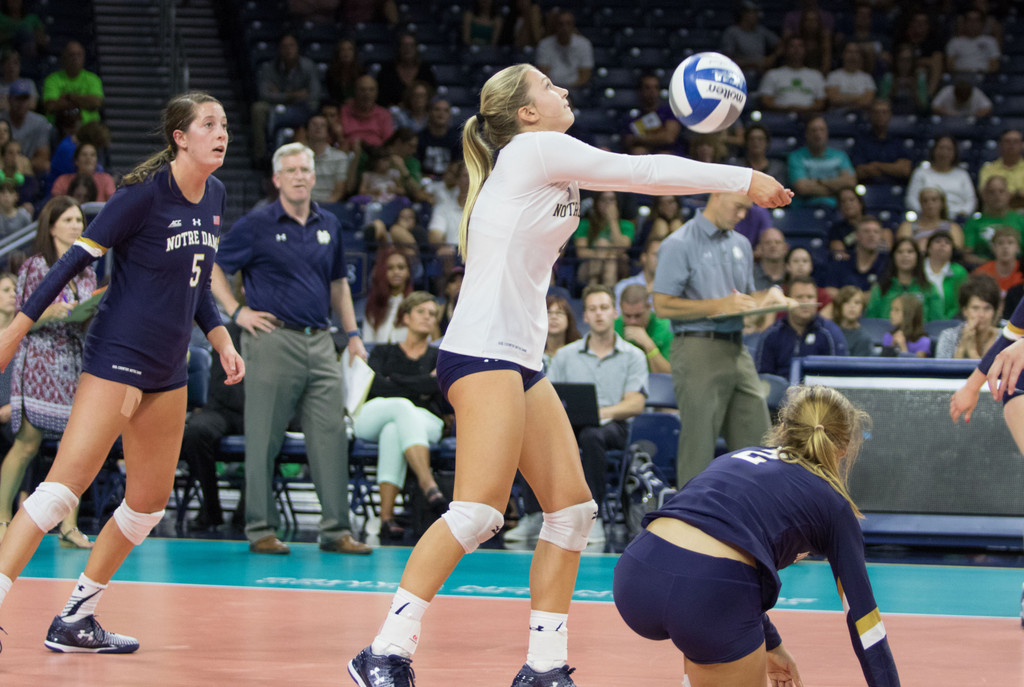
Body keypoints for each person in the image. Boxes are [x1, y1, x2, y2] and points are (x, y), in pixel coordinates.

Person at [346, 62, 792, 686]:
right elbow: (642, 172)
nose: (562, 91)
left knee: (573, 512)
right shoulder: (532, 150)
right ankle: (385, 650)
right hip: (480, 352)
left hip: (521, 358)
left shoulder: (540, 157)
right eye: (549, 88)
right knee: (477, 512)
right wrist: (742, 177)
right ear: (526, 113)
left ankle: (544, 665)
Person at [0, 91, 243, 653]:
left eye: (224, 124)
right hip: (116, 357)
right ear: (180, 137)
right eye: (209, 124)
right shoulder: (139, 197)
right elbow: (71, 262)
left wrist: (221, 334)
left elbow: (197, 279)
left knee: (146, 507)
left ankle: (75, 620)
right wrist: (16, 328)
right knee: (63, 490)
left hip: (167, 369)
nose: (221, 132)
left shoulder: (217, 194)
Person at [614, 384, 900, 687]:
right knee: (703, 626)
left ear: (784, 429)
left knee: (701, 636)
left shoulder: (738, 457)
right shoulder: (833, 504)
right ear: (844, 449)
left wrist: (771, 645)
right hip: (705, 596)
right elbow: (865, 621)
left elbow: (713, 543)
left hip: (637, 573)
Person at [210, 141, 370, 557]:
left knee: (332, 435)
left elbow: (339, 285)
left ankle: (337, 530)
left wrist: (352, 336)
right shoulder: (256, 223)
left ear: (314, 177)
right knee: (263, 437)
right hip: (271, 339)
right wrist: (236, 311)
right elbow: (213, 267)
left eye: (306, 169)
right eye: (291, 170)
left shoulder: (329, 224)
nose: (300, 176)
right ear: (277, 179)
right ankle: (261, 528)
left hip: (321, 340)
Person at [653, 189, 793, 490]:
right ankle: (692, 526)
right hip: (696, 347)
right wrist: (718, 306)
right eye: (739, 207)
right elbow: (662, 305)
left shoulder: (741, 243)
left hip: (736, 346)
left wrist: (768, 299)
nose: (743, 216)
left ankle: (762, 518)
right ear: (717, 195)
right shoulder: (679, 243)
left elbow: (742, 301)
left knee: (761, 444)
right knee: (699, 446)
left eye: (747, 210)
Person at [0, 196, 96, 550]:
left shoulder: (88, 269)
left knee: (75, 450)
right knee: (28, 443)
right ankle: (2, 520)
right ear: (51, 225)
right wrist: (50, 313)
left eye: (78, 220)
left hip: (74, 361)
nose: (76, 226)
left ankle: (68, 527)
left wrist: (87, 312)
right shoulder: (34, 267)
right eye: (69, 220)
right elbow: (21, 320)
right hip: (38, 360)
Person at [356, 291, 448, 542]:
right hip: (374, 415)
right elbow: (375, 387)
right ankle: (427, 483)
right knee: (401, 407)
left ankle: (386, 518)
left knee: (394, 429)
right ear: (405, 317)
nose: (428, 318)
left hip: (426, 421)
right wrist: (420, 384)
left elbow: (436, 390)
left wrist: (394, 380)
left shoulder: (439, 357)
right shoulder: (382, 353)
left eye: (432, 314)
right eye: (421, 312)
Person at [181, 321, 245, 531]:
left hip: (262, 410)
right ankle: (210, 508)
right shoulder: (227, 332)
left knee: (267, 431)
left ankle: (247, 510)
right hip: (223, 406)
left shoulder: (280, 336)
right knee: (196, 432)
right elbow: (219, 384)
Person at [756, 275, 847, 376]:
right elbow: (764, 378)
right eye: (799, 297)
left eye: (810, 297)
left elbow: (839, 375)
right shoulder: (771, 335)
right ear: (788, 300)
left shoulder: (831, 333)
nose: (805, 301)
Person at [250, 33, 321, 163]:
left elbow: (314, 95)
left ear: (298, 48)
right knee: (258, 108)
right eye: (284, 46)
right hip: (274, 106)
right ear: (279, 49)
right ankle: (261, 155)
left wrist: (279, 95)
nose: (288, 50)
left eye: (291, 46)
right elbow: (264, 94)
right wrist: (291, 96)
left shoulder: (308, 66)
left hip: (301, 107)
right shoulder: (268, 68)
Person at [866, 237, 944, 322]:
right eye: (900, 252)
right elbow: (871, 323)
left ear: (917, 257)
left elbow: (937, 325)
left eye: (910, 252)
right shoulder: (879, 289)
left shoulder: (929, 289)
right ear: (893, 257)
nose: (905, 255)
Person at [788, 115, 856, 209]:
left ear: (827, 133)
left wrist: (818, 181)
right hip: (806, 209)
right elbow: (802, 188)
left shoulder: (840, 156)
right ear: (806, 134)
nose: (818, 134)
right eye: (813, 130)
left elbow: (850, 182)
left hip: (839, 208)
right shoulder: (796, 157)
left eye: (821, 130)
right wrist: (836, 188)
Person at [905, 136, 977, 221]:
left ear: (954, 153)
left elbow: (971, 200)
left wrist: (962, 214)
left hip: (957, 219)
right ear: (934, 150)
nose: (944, 152)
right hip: (926, 218)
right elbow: (911, 199)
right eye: (941, 148)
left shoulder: (962, 175)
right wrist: (927, 213)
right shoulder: (921, 173)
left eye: (949, 149)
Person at [574, 190, 634, 287]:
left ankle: (593, 285)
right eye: (603, 200)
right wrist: (604, 252)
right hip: (588, 267)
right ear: (596, 203)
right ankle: (608, 292)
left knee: (610, 257)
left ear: (617, 202)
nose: (607, 204)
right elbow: (581, 252)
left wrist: (613, 221)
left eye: (611, 200)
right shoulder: (585, 224)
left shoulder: (626, 225)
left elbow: (621, 249)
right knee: (606, 250)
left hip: (619, 268)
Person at [962, 176, 1024, 268]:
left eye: (1001, 191)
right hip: (984, 271)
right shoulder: (973, 223)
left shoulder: (1020, 220)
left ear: (1008, 195)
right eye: (991, 192)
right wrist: (993, 265)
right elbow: (967, 256)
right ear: (984, 196)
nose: (997, 195)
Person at [935, 274, 1001, 358]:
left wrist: (971, 351)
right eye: (975, 308)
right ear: (965, 310)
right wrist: (962, 347)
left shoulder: (1005, 339)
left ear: (994, 311)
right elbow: (944, 370)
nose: (981, 314)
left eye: (987, 308)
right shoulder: (948, 336)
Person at [758, 36, 826, 114]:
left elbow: (820, 103)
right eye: (792, 46)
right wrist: (787, 108)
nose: (796, 50)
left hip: (809, 115)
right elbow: (766, 101)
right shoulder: (772, 74)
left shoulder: (816, 76)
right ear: (785, 50)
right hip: (779, 115)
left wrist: (801, 109)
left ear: (805, 50)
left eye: (800, 46)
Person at [852, 99, 912, 187]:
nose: (880, 116)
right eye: (876, 112)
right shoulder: (861, 142)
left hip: (895, 189)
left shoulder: (897, 142)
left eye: (884, 112)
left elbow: (905, 170)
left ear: (890, 115)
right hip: (869, 188)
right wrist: (892, 169)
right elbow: (859, 172)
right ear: (870, 115)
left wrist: (876, 165)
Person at [41, 41, 103, 124]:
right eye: (71, 55)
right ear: (64, 58)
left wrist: (69, 97)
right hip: (59, 127)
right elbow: (51, 106)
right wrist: (84, 102)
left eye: (79, 54)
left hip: (87, 126)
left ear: (84, 57)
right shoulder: (52, 79)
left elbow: (96, 102)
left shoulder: (93, 79)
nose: (75, 58)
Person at [616, 283, 672, 374]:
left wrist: (648, 345)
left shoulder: (666, 328)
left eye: (638, 316)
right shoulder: (613, 327)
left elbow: (667, 377)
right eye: (627, 315)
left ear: (649, 308)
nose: (632, 321)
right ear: (621, 309)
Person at [362, 246, 414, 344]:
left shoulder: (416, 304)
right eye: (390, 268)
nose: (396, 272)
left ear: (408, 272)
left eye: (401, 267)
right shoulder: (373, 305)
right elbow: (367, 342)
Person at [827, 215, 889, 296]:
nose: (871, 235)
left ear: (880, 236)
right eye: (866, 231)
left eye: (876, 232)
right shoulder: (842, 262)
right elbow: (829, 291)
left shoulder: (888, 264)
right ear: (857, 236)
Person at [622, 73, 682, 156]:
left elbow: (669, 137)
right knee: (638, 151)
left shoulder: (669, 112)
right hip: (645, 155)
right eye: (647, 88)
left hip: (669, 154)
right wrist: (658, 137)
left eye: (656, 87)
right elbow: (628, 141)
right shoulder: (632, 118)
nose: (652, 92)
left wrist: (639, 138)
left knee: (663, 156)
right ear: (640, 91)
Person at [375, 32, 437, 109]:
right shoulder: (387, 70)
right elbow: (379, 96)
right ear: (399, 48)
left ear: (416, 48)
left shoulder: (426, 71)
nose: (407, 49)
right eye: (404, 45)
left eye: (411, 45)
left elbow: (432, 94)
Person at [896, 186, 964, 255]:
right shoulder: (907, 226)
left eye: (934, 200)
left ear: (942, 203)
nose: (930, 204)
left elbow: (956, 251)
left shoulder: (953, 227)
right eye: (925, 201)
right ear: (920, 204)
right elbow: (903, 250)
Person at [535, 10, 593, 91]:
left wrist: (567, 91)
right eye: (560, 24)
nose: (564, 28)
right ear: (556, 26)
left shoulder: (584, 44)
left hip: (576, 89)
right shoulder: (544, 45)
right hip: (551, 89)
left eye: (568, 23)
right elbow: (543, 74)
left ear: (573, 26)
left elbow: (585, 76)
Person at [1, 80, 50, 175]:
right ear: (9, 99)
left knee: (46, 166)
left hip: (29, 170)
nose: (21, 103)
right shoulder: (1, 120)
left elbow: (43, 157)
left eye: (25, 99)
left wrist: (21, 165)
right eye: (18, 99)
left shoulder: (40, 122)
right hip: (1, 168)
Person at [721, 3, 780, 80]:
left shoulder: (761, 31)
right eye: (753, 12)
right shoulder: (732, 32)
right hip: (740, 73)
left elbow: (781, 45)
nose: (757, 16)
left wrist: (772, 58)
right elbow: (727, 60)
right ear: (744, 14)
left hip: (761, 72)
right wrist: (753, 63)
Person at [923, 230, 969, 319]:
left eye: (947, 243)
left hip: (952, 321)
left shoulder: (959, 272)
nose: (942, 245)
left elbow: (963, 302)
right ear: (928, 248)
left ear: (952, 250)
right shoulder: (918, 269)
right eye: (937, 241)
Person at [49, 142, 116, 201]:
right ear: (76, 161)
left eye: (92, 155)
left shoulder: (106, 179)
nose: (88, 158)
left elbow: (112, 205)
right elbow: (56, 204)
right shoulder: (62, 180)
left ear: (97, 161)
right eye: (84, 154)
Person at [877, 43, 930, 116]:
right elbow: (881, 105)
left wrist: (914, 90)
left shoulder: (920, 78)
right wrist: (893, 90)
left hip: (915, 117)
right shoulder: (888, 78)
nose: (904, 64)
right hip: (893, 117)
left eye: (908, 60)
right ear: (896, 61)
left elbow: (924, 107)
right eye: (901, 60)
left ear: (913, 61)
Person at [729, 123, 787, 188]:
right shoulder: (736, 166)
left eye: (760, 139)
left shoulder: (778, 168)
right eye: (752, 139)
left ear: (767, 142)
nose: (756, 142)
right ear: (746, 142)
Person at [973, 225, 1024, 300]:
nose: (1005, 247)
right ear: (993, 248)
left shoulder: (1023, 272)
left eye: (1010, 242)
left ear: (1018, 248)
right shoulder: (981, 272)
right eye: (1000, 243)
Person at [945, 8, 1000, 76]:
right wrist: (967, 73)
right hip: (960, 79)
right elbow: (950, 66)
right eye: (969, 20)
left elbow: (994, 66)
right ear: (964, 23)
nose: (973, 23)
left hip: (983, 78)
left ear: (982, 23)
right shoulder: (955, 42)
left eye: (976, 20)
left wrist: (977, 73)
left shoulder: (990, 41)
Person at [417, 97, 462, 180]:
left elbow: (458, 165)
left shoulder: (456, 139)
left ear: (450, 115)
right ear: (429, 112)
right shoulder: (419, 138)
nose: (441, 113)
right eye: (437, 109)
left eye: (446, 110)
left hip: (448, 184)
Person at [978, 129, 1024, 209]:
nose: (1011, 145)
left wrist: (1003, 195)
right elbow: (985, 195)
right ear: (1000, 145)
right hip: (997, 214)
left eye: (1015, 141)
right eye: (1007, 141)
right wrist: (1017, 195)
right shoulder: (988, 169)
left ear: (1022, 145)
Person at [825, 42, 875, 111]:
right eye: (849, 52)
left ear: (860, 56)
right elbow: (834, 99)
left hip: (860, 113)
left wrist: (843, 96)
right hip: (837, 113)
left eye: (856, 52)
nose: (852, 55)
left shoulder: (867, 78)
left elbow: (867, 101)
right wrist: (860, 97)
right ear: (843, 54)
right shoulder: (833, 76)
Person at [784, 245, 832, 316]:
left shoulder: (822, 295)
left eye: (805, 261)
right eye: (796, 261)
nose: (801, 265)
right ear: (787, 266)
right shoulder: (780, 293)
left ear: (811, 267)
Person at [614, 237, 660, 307]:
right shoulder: (624, 286)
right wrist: (646, 292)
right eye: (656, 255)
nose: (661, 259)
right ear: (644, 257)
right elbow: (620, 314)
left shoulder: (675, 289)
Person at [543, 294, 581, 370]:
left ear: (568, 320)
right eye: (548, 313)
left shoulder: (579, 353)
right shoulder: (533, 355)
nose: (553, 317)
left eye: (559, 313)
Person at [833, 285, 874, 356]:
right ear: (839, 305)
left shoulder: (864, 339)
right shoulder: (830, 333)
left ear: (862, 308)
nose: (852, 306)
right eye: (847, 302)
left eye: (857, 302)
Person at [323, 38, 364, 106]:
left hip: (358, 105)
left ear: (354, 53)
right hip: (338, 106)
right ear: (338, 53)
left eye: (350, 49)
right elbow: (332, 95)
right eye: (343, 50)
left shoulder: (361, 72)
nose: (346, 52)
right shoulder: (331, 73)